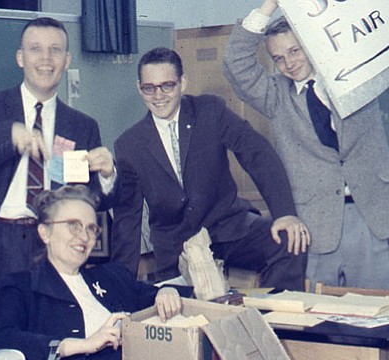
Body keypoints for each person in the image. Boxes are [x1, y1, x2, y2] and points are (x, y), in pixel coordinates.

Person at [0, 185, 389, 360]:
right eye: (72, 226)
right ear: (44, 232)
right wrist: (77, 344)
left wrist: (163, 295)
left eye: (89, 227)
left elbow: (150, 294)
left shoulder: (109, 277)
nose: (84, 236)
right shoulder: (21, 285)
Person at [0, 17, 116, 355]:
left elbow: (90, 199)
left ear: (67, 61)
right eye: (35, 49)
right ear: (20, 57)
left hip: (52, 250)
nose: (46, 59)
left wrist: (108, 174)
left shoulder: (83, 126)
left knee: (48, 350)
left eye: (55, 51)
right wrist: (7, 136)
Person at [223, 0, 389, 290]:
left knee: (376, 310)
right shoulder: (276, 96)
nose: (289, 63)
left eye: (295, 51)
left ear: (311, 44)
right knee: (320, 315)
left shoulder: (356, 74)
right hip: (313, 222)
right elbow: (235, 64)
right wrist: (269, 6)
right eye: (278, 58)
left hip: (368, 214)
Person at [111, 47, 308, 290]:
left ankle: (276, 325)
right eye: (149, 88)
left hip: (229, 231)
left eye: (167, 85)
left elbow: (257, 154)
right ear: (139, 88)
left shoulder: (210, 111)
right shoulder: (129, 144)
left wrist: (285, 213)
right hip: (176, 249)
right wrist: (119, 288)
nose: (158, 95)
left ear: (183, 83)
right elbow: (127, 219)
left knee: (289, 239)